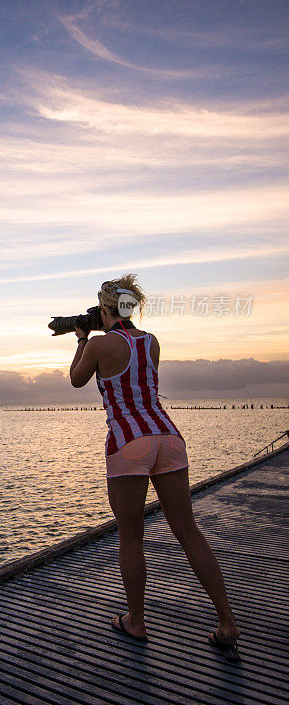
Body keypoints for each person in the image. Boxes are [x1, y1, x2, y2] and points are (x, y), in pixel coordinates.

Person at [69, 275, 241, 659]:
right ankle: (227, 622)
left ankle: (136, 620)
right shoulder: (152, 341)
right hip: (167, 435)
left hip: (130, 441)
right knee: (188, 530)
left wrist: (81, 338)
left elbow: (78, 379)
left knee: (131, 536)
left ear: (104, 309)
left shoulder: (98, 344)